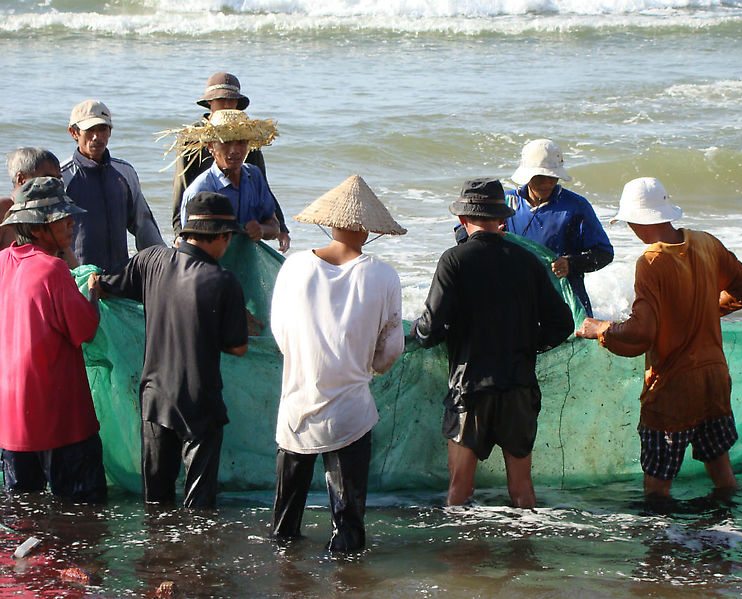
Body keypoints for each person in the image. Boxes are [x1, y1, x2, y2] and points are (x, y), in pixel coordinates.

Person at [576, 177, 742, 498]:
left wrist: (600, 330)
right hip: (714, 382)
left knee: (657, 492)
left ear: (635, 220)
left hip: (672, 393)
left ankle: (663, 547)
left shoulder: (651, 262)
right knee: (721, 473)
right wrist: (704, 311)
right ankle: (726, 538)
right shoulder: (706, 243)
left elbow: (641, 334)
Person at [411, 178, 574, 508]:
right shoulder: (528, 262)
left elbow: (430, 325)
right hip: (519, 387)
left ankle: (462, 558)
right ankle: (523, 556)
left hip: (470, 389)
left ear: (462, 220)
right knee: (522, 489)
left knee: (460, 489)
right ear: (502, 219)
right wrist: (530, 345)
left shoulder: (455, 260)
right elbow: (563, 324)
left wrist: (417, 337)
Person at [269, 175, 405, 551]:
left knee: (284, 526)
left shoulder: (294, 267)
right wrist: (366, 369)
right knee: (348, 528)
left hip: (296, 410)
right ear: (367, 228)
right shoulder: (382, 275)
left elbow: (281, 334)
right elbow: (391, 350)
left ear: (329, 222)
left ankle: (286, 580)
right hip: (350, 412)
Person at [88, 192, 248, 508]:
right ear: (218, 236)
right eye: (228, 237)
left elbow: (101, 284)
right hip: (199, 402)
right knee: (198, 507)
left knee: (156, 501)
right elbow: (239, 347)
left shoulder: (152, 260)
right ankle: (190, 553)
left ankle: (157, 551)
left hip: (154, 399)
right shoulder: (222, 281)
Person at [0, 177, 107, 503]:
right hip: (60, 418)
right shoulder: (52, 269)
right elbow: (85, 331)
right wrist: (92, 295)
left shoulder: (3, 262)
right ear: (37, 228)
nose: (72, 222)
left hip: (11, 422)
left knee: (23, 514)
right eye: (62, 217)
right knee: (82, 515)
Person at [170, 72, 291, 251]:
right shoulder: (193, 137)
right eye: (221, 100)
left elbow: (262, 185)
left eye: (231, 101)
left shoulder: (245, 134)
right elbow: (183, 187)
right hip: (206, 213)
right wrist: (180, 233)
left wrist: (281, 227)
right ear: (210, 102)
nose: (227, 105)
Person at [503, 139, 613, 318]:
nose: (547, 183)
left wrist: (572, 263)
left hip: (566, 305)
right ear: (527, 176)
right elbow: (465, 233)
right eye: (540, 177)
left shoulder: (576, 206)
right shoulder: (505, 203)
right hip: (517, 303)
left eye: (552, 177)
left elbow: (604, 253)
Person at [62, 99, 164, 271]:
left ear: (110, 131)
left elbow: (143, 224)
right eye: (90, 130)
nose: (97, 137)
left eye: (102, 129)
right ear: (74, 132)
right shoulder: (62, 178)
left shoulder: (125, 173)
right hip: (76, 279)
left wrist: (162, 264)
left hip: (119, 278)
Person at [172, 109, 280, 245]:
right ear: (211, 146)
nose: (235, 150)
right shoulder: (201, 191)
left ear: (248, 145)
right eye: (226, 142)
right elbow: (191, 247)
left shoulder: (254, 176)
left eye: (241, 142)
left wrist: (261, 230)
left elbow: (274, 226)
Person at [2, 148, 77, 269]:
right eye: (48, 178)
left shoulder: (51, 215)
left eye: (58, 178)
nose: (55, 183)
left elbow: (73, 266)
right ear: (21, 179)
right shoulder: (3, 210)